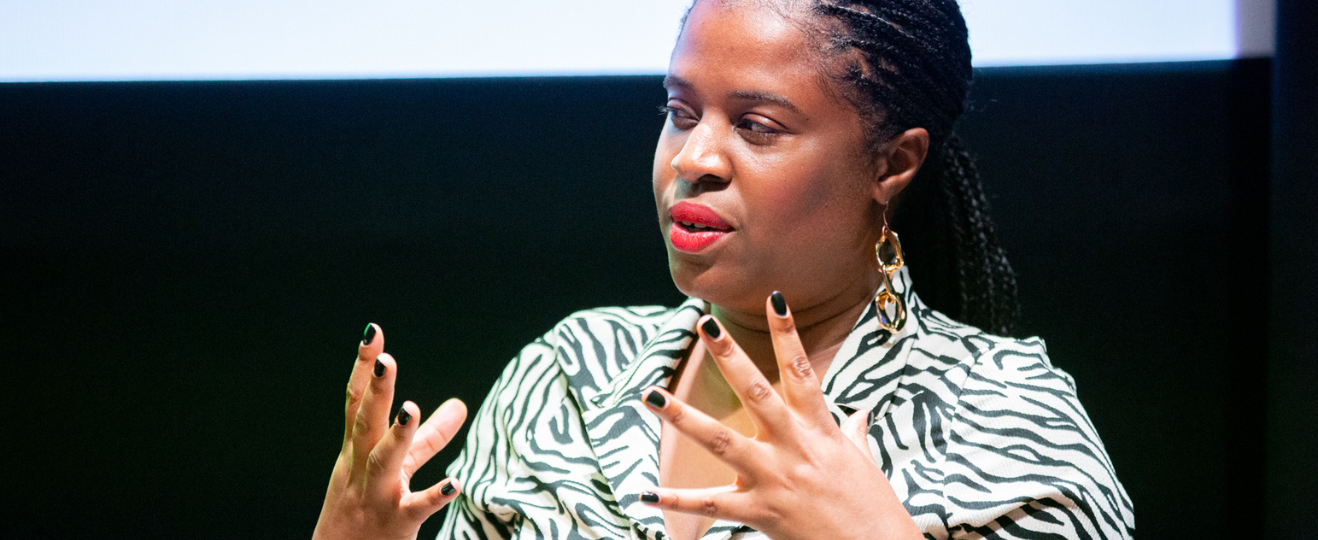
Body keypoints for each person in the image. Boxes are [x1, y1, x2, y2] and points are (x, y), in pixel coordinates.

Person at [312, 0, 1135, 538]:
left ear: (891, 163)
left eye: (758, 125)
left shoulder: (1000, 415)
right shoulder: (567, 376)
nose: (694, 157)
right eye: (679, 112)